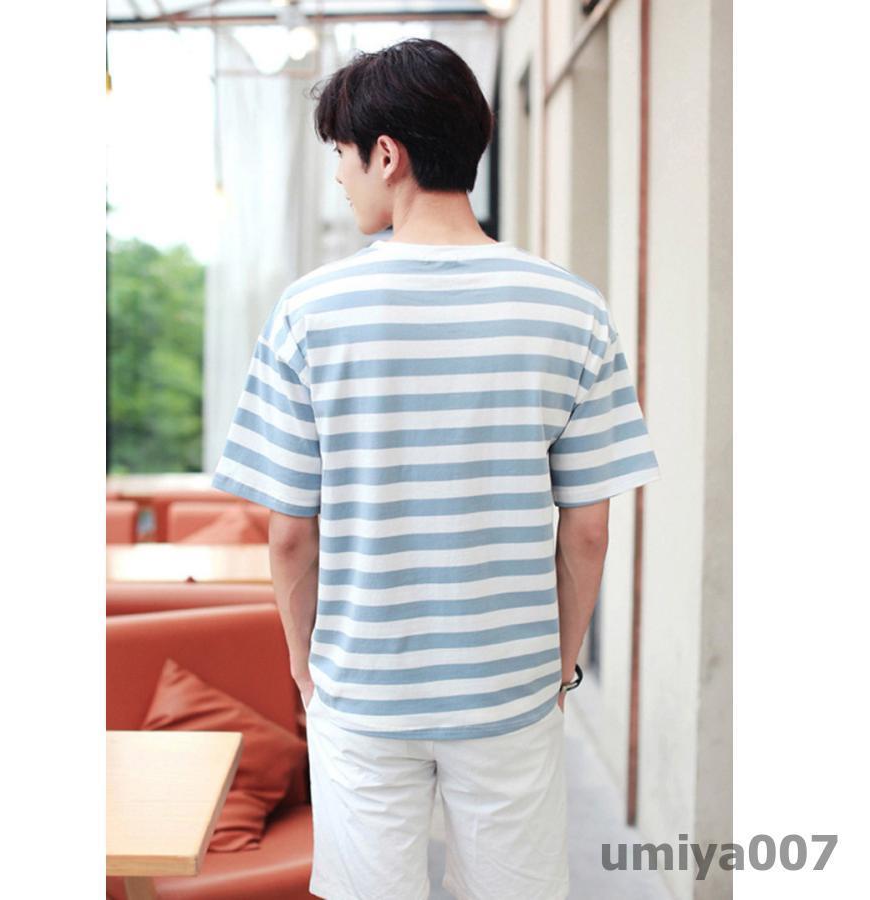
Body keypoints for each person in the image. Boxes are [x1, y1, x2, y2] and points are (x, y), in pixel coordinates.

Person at [211, 36, 661, 900]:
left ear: (388, 155)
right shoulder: (574, 310)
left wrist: (306, 667)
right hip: (507, 690)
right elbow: (589, 530)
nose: (340, 177)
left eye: (343, 155)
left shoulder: (309, 312)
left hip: (362, 689)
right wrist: (558, 668)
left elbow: (291, 537)